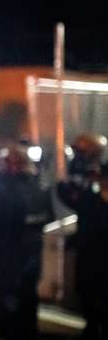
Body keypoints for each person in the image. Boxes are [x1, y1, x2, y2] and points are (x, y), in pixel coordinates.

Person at [0, 146, 53, 340]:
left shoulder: (2, 187)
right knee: (26, 302)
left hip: (7, 255)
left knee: (6, 305)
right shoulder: (39, 185)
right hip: (29, 256)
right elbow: (47, 216)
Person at [58, 134, 108, 340]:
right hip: (88, 243)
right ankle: (91, 325)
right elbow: (72, 197)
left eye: (82, 151)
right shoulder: (79, 174)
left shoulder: (102, 173)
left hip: (102, 244)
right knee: (87, 289)